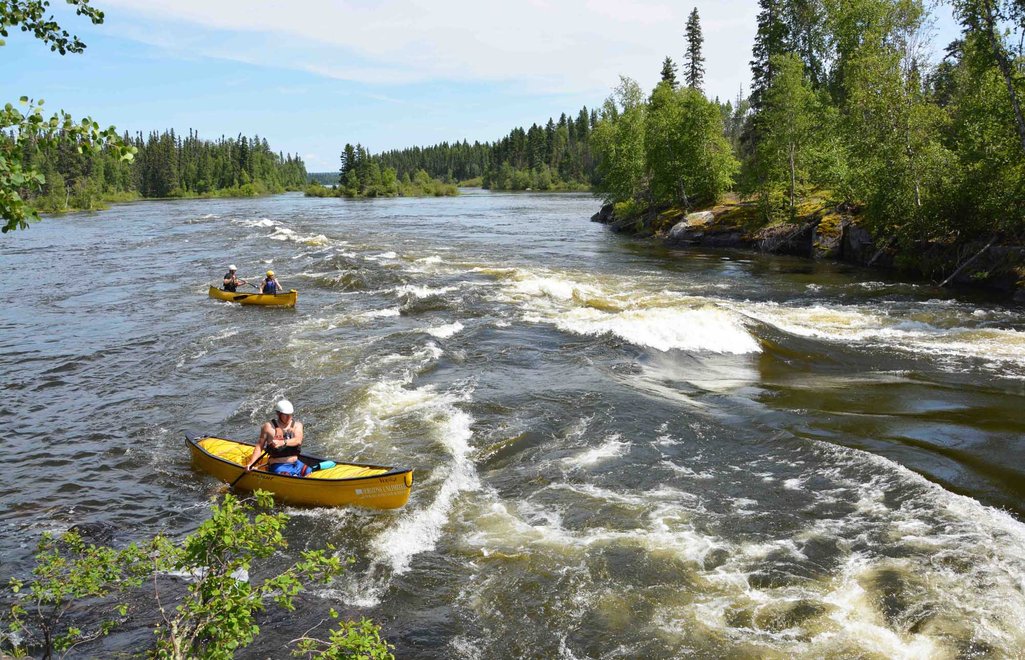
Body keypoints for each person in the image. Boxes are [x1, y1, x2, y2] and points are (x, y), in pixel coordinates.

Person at [245, 399, 310, 477]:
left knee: (309, 471)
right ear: (278, 414)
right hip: (279, 466)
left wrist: (282, 442)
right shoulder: (268, 427)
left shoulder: (297, 425)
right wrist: (251, 463)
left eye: (290, 414)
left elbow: (298, 440)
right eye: (286, 415)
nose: (289, 417)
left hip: (296, 464)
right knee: (288, 476)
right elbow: (259, 446)